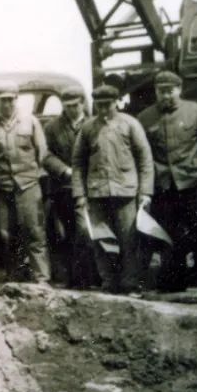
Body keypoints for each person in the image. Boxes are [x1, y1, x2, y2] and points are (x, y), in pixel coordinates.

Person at [136, 71, 197, 293]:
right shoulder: (145, 118)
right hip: (164, 186)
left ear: (179, 89)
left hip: (193, 183)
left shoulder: (196, 111)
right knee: (168, 234)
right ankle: (174, 282)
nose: (166, 96)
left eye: (169, 91)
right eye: (161, 91)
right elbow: (142, 154)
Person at [72, 82, 154, 295]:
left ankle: (130, 284)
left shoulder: (130, 124)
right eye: (99, 105)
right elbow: (78, 163)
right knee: (101, 240)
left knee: (129, 240)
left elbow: (145, 159)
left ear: (116, 102)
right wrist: (80, 194)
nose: (103, 109)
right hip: (97, 192)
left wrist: (145, 192)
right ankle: (109, 283)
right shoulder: (88, 128)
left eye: (107, 104)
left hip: (126, 192)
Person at [0, 83, 51, 283]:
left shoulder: (30, 122)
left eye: (10, 99)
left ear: (16, 99)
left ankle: (41, 277)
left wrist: (33, 177)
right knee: (5, 234)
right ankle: (15, 276)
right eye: (3, 100)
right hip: (1, 188)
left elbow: (42, 153)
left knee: (34, 231)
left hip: (28, 185)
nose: (7, 104)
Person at [42, 85, 98, 289]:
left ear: (82, 103)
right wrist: (63, 169)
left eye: (75, 105)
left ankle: (92, 277)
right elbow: (45, 155)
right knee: (68, 233)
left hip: (89, 186)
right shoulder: (52, 127)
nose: (72, 109)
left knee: (87, 231)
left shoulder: (94, 124)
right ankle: (74, 279)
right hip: (63, 188)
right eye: (68, 106)